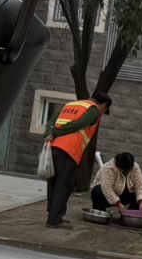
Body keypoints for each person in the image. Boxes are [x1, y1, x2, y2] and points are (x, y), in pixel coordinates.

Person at [44, 91, 112, 228]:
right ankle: (54, 220)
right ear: (104, 105)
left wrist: (49, 132)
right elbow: (79, 124)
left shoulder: (71, 105)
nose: (102, 113)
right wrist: (56, 132)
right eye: (105, 111)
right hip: (68, 150)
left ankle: (53, 215)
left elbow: (51, 121)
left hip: (54, 147)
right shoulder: (93, 109)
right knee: (64, 186)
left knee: (54, 183)